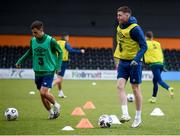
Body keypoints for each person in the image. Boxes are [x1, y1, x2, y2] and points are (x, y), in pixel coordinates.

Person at [16, 20, 62, 119]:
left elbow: (60, 52)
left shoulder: (51, 40)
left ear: (41, 30)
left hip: (48, 71)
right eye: (32, 32)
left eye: (35, 32)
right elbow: (29, 52)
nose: (34, 34)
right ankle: (50, 113)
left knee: (43, 92)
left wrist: (58, 66)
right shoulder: (32, 41)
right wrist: (20, 60)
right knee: (42, 95)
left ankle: (57, 105)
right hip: (37, 72)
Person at [114, 6, 147, 128]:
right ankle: (125, 114)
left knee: (135, 89)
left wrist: (136, 59)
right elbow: (121, 44)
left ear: (127, 16)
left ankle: (138, 118)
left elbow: (144, 47)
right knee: (119, 86)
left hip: (134, 63)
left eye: (120, 15)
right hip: (123, 62)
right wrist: (118, 58)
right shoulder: (119, 27)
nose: (118, 17)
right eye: (117, 15)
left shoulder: (136, 29)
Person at [144, 31, 174, 103]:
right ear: (152, 37)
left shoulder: (145, 43)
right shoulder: (158, 43)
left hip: (154, 64)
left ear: (146, 37)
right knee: (155, 81)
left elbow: (143, 51)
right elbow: (160, 53)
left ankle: (169, 88)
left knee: (159, 81)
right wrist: (163, 66)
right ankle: (153, 98)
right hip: (161, 64)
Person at [52, 34, 85, 98]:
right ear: (65, 37)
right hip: (63, 62)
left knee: (59, 78)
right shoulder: (66, 43)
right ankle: (48, 87)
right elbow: (71, 50)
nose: (68, 38)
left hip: (56, 61)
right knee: (59, 79)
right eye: (68, 37)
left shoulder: (57, 42)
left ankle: (60, 92)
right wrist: (80, 51)